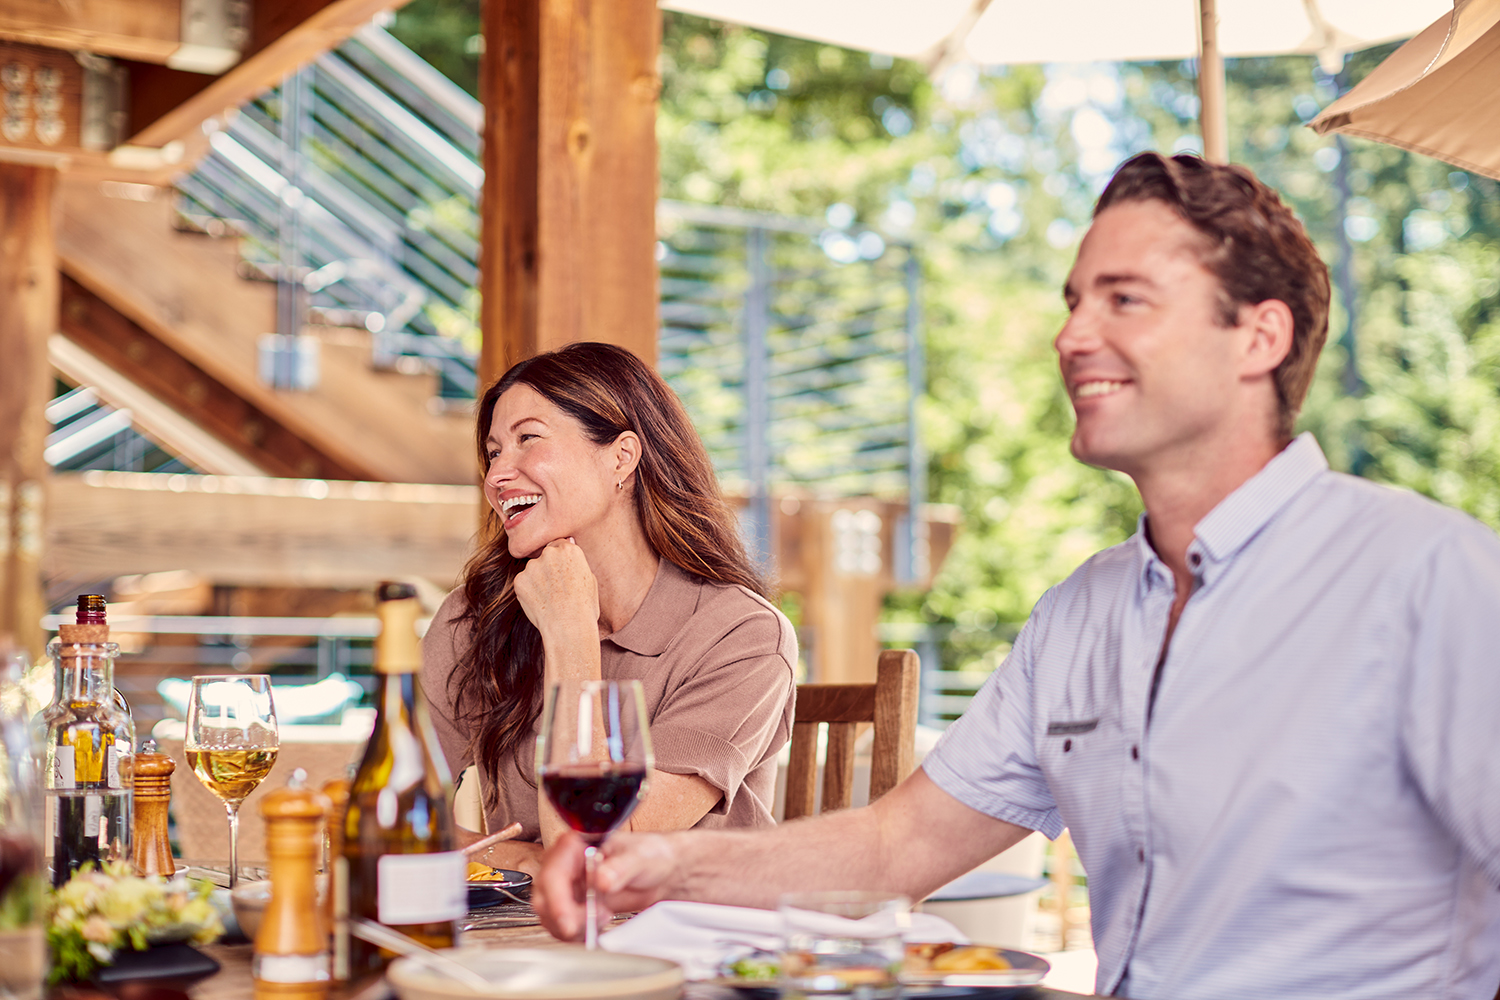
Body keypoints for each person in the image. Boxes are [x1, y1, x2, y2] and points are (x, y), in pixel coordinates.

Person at [533, 154, 1500, 1000]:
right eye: (1074, 301)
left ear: (1261, 337)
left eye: (1125, 300)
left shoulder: (1428, 576)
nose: (1072, 336)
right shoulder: (1081, 614)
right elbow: (896, 849)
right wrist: (661, 862)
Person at [421, 342, 797, 876]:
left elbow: (595, 859)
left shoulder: (742, 637)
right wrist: (530, 857)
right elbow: (384, 815)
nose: (498, 475)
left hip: (692, 941)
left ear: (622, 456)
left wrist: (570, 634)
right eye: (494, 452)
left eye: (527, 439)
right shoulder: (476, 616)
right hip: (524, 936)